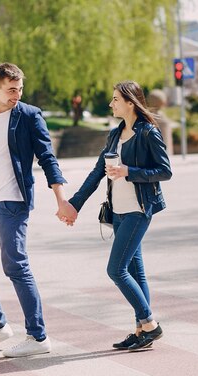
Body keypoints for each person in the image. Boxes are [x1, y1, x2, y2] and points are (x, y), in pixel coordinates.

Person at [0, 62, 77, 358]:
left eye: (20, 89)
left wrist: (61, 200)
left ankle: (38, 337)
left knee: (15, 266)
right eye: (12, 89)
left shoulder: (28, 116)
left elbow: (48, 159)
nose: (17, 94)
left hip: (12, 203)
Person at [61, 81, 172, 351]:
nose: (111, 104)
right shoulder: (114, 135)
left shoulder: (148, 134)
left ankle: (150, 324)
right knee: (136, 271)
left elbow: (165, 171)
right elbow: (96, 172)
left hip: (139, 210)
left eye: (115, 100)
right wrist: (74, 204)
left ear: (130, 103)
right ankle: (140, 330)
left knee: (116, 269)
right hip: (119, 212)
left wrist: (128, 171)